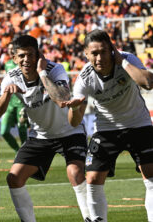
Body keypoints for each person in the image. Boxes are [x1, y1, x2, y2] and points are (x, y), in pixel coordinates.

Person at [0, 35, 90, 222]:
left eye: (30, 55)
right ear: (14, 58)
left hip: (70, 131)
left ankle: (92, 219)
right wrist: (6, 94)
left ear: (38, 55)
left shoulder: (55, 69)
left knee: (75, 173)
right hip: (41, 136)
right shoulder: (11, 77)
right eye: (21, 56)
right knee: (14, 178)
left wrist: (43, 74)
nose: (26, 60)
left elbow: (62, 99)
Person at [63, 29, 153, 222]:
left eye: (103, 51)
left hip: (139, 124)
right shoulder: (84, 79)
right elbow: (74, 122)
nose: (99, 58)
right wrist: (75, 109)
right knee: (93, 179)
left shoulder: (127, 59)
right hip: (106, 129)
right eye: (94, 53)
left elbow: (147, 82)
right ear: (86, 54)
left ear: (112, 49)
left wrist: (123, 62)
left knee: (151, 176)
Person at [1, 43, 29, 152]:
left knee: (22, 131)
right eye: (9, 49)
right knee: (4, 131)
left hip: (21, 102)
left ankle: (25, 155)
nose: (10, 50)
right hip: (9, 103)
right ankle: (18, 152)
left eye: (12, 49)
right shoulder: (7, 64)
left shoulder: (23, 64)